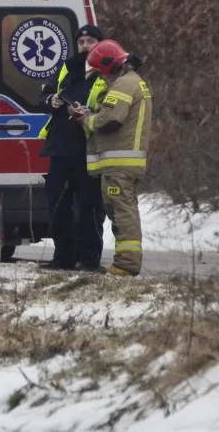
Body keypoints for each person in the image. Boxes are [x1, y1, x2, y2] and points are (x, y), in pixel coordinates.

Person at [72, 40, 152, 276]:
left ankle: (126, 264)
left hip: (119, 165)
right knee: (125, 210)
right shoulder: (133, 82)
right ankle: (127, 262)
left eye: (101, 73)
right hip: (126, 164)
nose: (102, 78)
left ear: (108, 66)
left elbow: (109, 121)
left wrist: (86, 119)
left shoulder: (123, 85)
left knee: (121, 212)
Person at [38, 25, 107, 270]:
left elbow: (113, 109)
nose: (85, 46)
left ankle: (89, 260)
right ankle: (63, 257)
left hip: (89, 150)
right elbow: (44, 96)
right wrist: (52, 100)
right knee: (58, 207)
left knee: (90, 207)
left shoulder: (106, 72)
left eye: (90, 41)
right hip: (60, 148)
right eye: (81, 42)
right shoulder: (65, 69)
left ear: (100, 43)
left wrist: (90, 112)